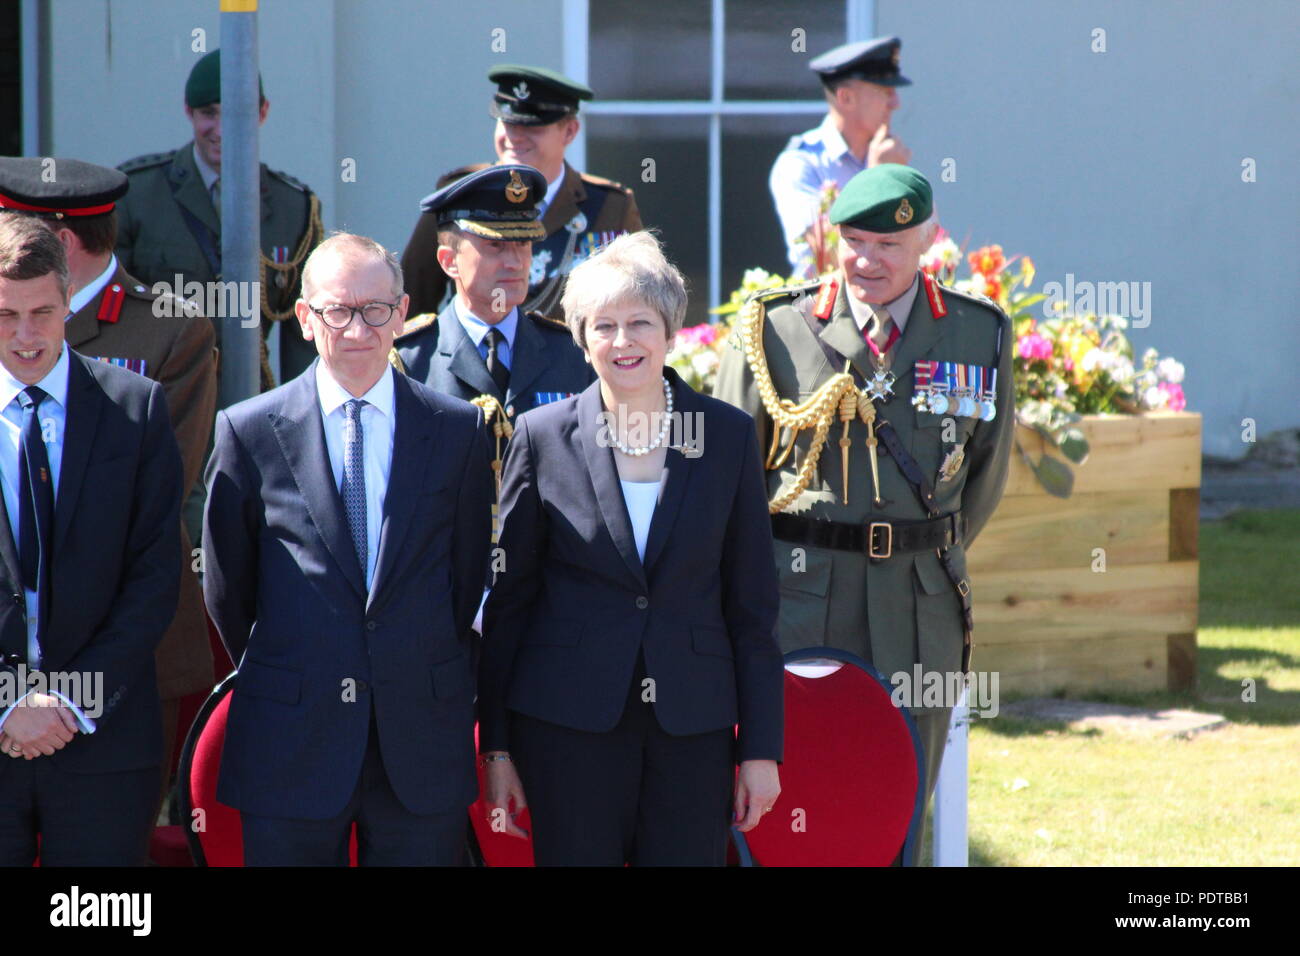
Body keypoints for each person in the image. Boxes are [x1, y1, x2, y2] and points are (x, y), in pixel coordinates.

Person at [715, 164, 1015, 863]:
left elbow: (983, 481)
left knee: (896, 807)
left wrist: (917, 548)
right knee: (779, 798)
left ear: (929, 241)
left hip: (918, 605)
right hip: (797, 599)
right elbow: (728, 484)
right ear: (831, 238)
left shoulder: (979, 335)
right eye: (854, 240)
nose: (867, 259)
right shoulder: (777, 326)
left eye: (890, 244)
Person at [480, 231, 784, 866]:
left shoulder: (726, 436)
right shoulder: (541, 437)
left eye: (640, 322)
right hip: (566, 727)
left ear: (670, 331)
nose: (623, 342)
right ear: (581, 340)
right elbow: (510, 603)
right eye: (604, 326)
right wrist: (498, 750)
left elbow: (752, 609)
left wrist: (760, 750)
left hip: (692, 728)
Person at [202, 233, 493, 866]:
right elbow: (228, 590)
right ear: (306, 318)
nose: (357, 328)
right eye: (338, 310)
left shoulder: (457, 429)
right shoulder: (248, 431)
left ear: (402, 311)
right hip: (292, 735)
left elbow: (466, 577)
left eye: (375, 309)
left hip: (418, 736)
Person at [0, 157, 218, 814]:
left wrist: (66, 698)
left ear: (57, 245)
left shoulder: (170, 327)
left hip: (126, 666)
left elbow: (153, 499)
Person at [115, 48, 324, 389]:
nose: (221, 130)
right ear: (189, 113)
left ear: (262, 113)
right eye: (209, 114)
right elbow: (111, 311)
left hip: (251, 396)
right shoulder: (138, 194)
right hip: (163, 397)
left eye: (236, 114)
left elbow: (305, 333)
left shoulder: (294, 207)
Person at [402, 64, 641, 319]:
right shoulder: (458, 195)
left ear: (569, 131)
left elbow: (639, 302)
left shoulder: (609, 205)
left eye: (531, 127)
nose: (515, 137)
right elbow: (412, 298)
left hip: (570, 356)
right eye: (507, 123)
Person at [393, 164, 595, 426]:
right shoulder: (408, 358)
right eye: (495, 245)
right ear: (449, 261)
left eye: (522, 244)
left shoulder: (573, 351)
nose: (515, 262)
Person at [770, 37, 914, 278]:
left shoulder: (887, 155)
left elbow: (923, 243)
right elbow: (825, 253)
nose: (895, 103)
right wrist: (877, 180)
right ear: (846, 98)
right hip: (822, 308)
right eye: (885, 91)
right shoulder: (799, 164)